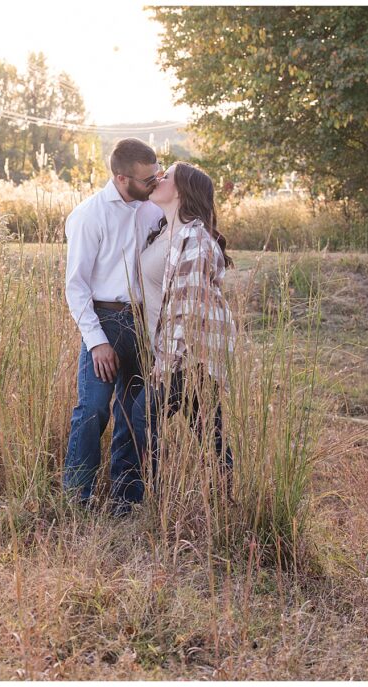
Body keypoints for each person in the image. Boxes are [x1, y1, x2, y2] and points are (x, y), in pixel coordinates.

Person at [121, 161, 238, 511]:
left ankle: (148, 500)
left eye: (166, 176)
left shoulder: (195, 238)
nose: (159, 179)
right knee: (207, 429)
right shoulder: (164, 232)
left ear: (183, 190)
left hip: (187, 356)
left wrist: (168, 361)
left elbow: (189, 308)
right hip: (168, 353)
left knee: (142, 417)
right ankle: (222, 499)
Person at [63, 138, 164, 512]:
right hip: (104, 321)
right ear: (122, 179)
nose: (154, 184)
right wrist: (96, 341)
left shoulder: (152, 208)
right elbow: (75, 286)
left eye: (156, 176)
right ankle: (76, 499)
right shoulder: (89, 215)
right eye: (146, 179)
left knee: (133, 413)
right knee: (93, 410)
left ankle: (127, 500)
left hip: (143, 321)